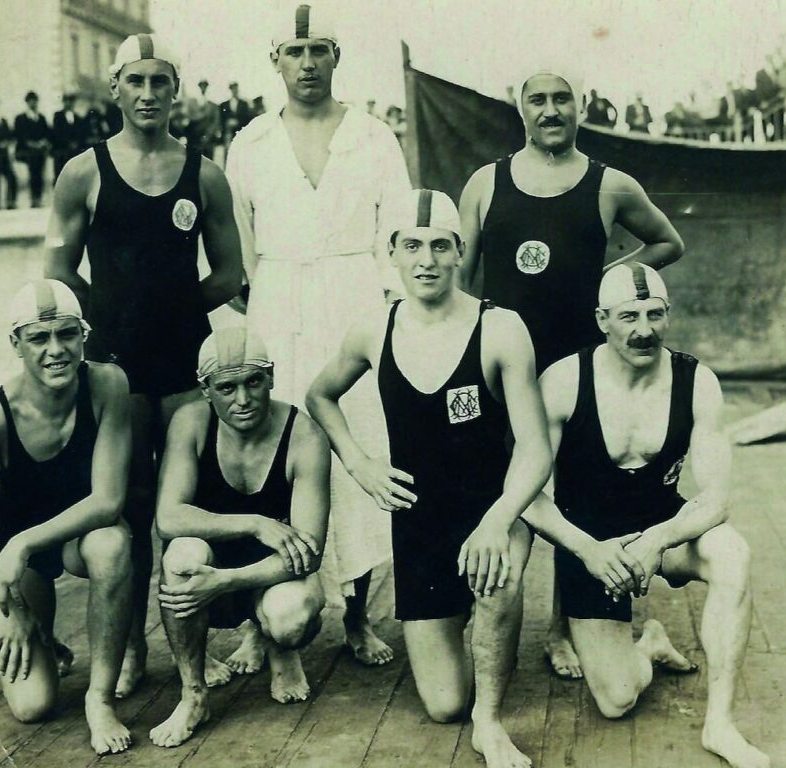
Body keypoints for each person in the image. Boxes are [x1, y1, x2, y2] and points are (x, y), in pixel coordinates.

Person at [307, 190, 552, 768]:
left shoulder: (500, 329)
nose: (426, 260)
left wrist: (498, 521)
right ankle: (478, 643)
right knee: (444, 704)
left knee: (497, 578)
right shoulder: (373, 329)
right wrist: (360, 463)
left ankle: (490, 723)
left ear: (459, 252)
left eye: (440, 246)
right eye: (412, 246)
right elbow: (320, 396)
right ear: (391, 253)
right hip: (421, 528)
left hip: (493, 512)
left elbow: (537, 452)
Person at [458, 63, 684, 679]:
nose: (551, 110)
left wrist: (612, 284)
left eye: (563, 99)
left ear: (580, 109)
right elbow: (461, 280)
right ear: (521, 108)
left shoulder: (610, 185)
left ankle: (560, 629)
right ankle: (472, 618)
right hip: (501, 369)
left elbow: (668, 243)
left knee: (571, 501)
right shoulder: (485, 183)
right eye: (539, 100)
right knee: (490, 490)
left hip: (578, 372)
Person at [45, 33, 243, 699]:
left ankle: (194, 642)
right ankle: (129, 651)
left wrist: (175, 309)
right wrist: (105, 326)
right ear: (116, 89)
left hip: (186, 372)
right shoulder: (83, 172)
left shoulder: (204, 173)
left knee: (183, 507)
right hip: (116, 373)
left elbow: (233, 272)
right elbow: (59, 275)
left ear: (175, 91)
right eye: (138, 82)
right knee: (124, 513)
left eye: (162, 82)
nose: (150, 94)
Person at [225, 3, 412, 671]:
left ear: (337, 58)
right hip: (277, 309)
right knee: (274, 453)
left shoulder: (373, 137)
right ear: (275, 60)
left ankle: (358, 615)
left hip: (354, 306)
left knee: (358, 449)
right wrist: (250, 322)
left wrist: (390, 314)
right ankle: (259, 619)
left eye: (319, 51)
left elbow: (396, 233)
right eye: (295, 53)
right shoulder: (248, 144)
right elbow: (239, 249)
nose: (307, 64)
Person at [523, 263, 769, 768]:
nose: (643, 330)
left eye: (654, 315)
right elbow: (525, 494)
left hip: (665, 532)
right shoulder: (564, 381)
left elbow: (717, 498)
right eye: (628, 316)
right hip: (594, 548)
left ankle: (720, 723)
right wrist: (587, 549)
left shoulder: (696, 380)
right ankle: (650, 642)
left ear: (668, 315)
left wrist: (658, 540)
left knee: (732, 553)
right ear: (601, 320)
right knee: (616, 700)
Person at [0, 279, 134, 755]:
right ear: (16, 344)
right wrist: (12, 609)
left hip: (72, 538)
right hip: (21, 565)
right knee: (33, 706)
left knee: (112, 541)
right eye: (39, 338)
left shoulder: (107, 385)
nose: (56, 351)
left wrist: (21, 543)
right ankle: (44, 640)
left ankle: (100, 698)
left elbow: (108, 501)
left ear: (83, 335)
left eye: (67, 335)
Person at [150, 327, 330, 747]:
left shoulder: (304, 435)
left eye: (253, 382)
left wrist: (227, 581)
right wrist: (253, 522)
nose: (243, 399)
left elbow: (309, 550)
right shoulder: (191, 422)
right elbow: (168, 518)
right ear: (206, 390)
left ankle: (279, 646)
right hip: (216, 555)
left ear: (271, 377)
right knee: (181, 556)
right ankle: (193, 693)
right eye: (226, 387)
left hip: (270, 573)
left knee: (292, 616)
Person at [14, 91, 52, 207]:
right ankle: (31, 199)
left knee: (39, 174)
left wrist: (43, 142)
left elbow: (47, 133)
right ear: (27, 102)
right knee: (31, 174)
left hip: (40, 152)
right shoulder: (20, 118)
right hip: (27, 152)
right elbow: (20, 135)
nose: (33, 103)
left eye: (35, 100)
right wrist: (32, 144)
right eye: (31, 101)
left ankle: (38, 198)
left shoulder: (41, 118)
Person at [52, 92, 86, 182]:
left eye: (71, 101)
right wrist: (67, 143)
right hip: (61, 151)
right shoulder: (58, 116)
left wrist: (76, 143)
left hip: (74, 152)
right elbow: (57, 133)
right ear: (63, 102)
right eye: (67, 101)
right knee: (60, 176)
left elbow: (80, 134)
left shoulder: (78, 118)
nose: (69, 103)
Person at [219, 82, 252, 149]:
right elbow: (221, 118)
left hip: (239, 132)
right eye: (233, 89)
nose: (234, 91)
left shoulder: (244, 104)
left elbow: (247, 118)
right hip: (228, 133)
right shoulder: (224, 104)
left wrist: (238, 123)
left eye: (236, 89)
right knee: (228, 151)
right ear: (230, 90)